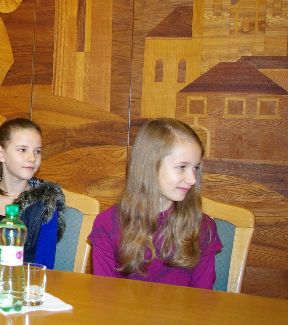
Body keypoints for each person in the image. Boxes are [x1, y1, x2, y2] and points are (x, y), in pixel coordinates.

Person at [88, 118, 222, 288]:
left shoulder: (202, 227)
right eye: (182, 167)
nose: (192, 179)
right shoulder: (107, 224)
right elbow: (103, 293)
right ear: (150, 166)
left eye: (195, 168)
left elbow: (203, 296)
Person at [0, 118, 64, 268]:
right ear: (1, 154)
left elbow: (44, 266)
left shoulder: (46, 203)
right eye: (23, 150)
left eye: (37, 151)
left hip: (27, 280)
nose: (32, 158)